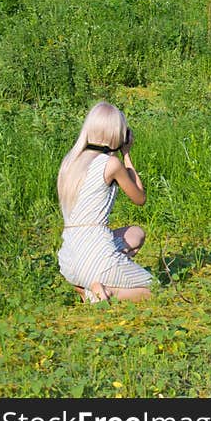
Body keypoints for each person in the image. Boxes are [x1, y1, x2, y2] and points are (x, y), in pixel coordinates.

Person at [56, 101, 155, 303]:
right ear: (116, 133)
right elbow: (140, 198)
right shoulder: (111, 164)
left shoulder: (70, 161)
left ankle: (84, 284)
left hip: (68, 260)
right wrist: (126, 154)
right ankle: (101, 292)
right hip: (97, 255)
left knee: (136, 234)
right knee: (152, 290)